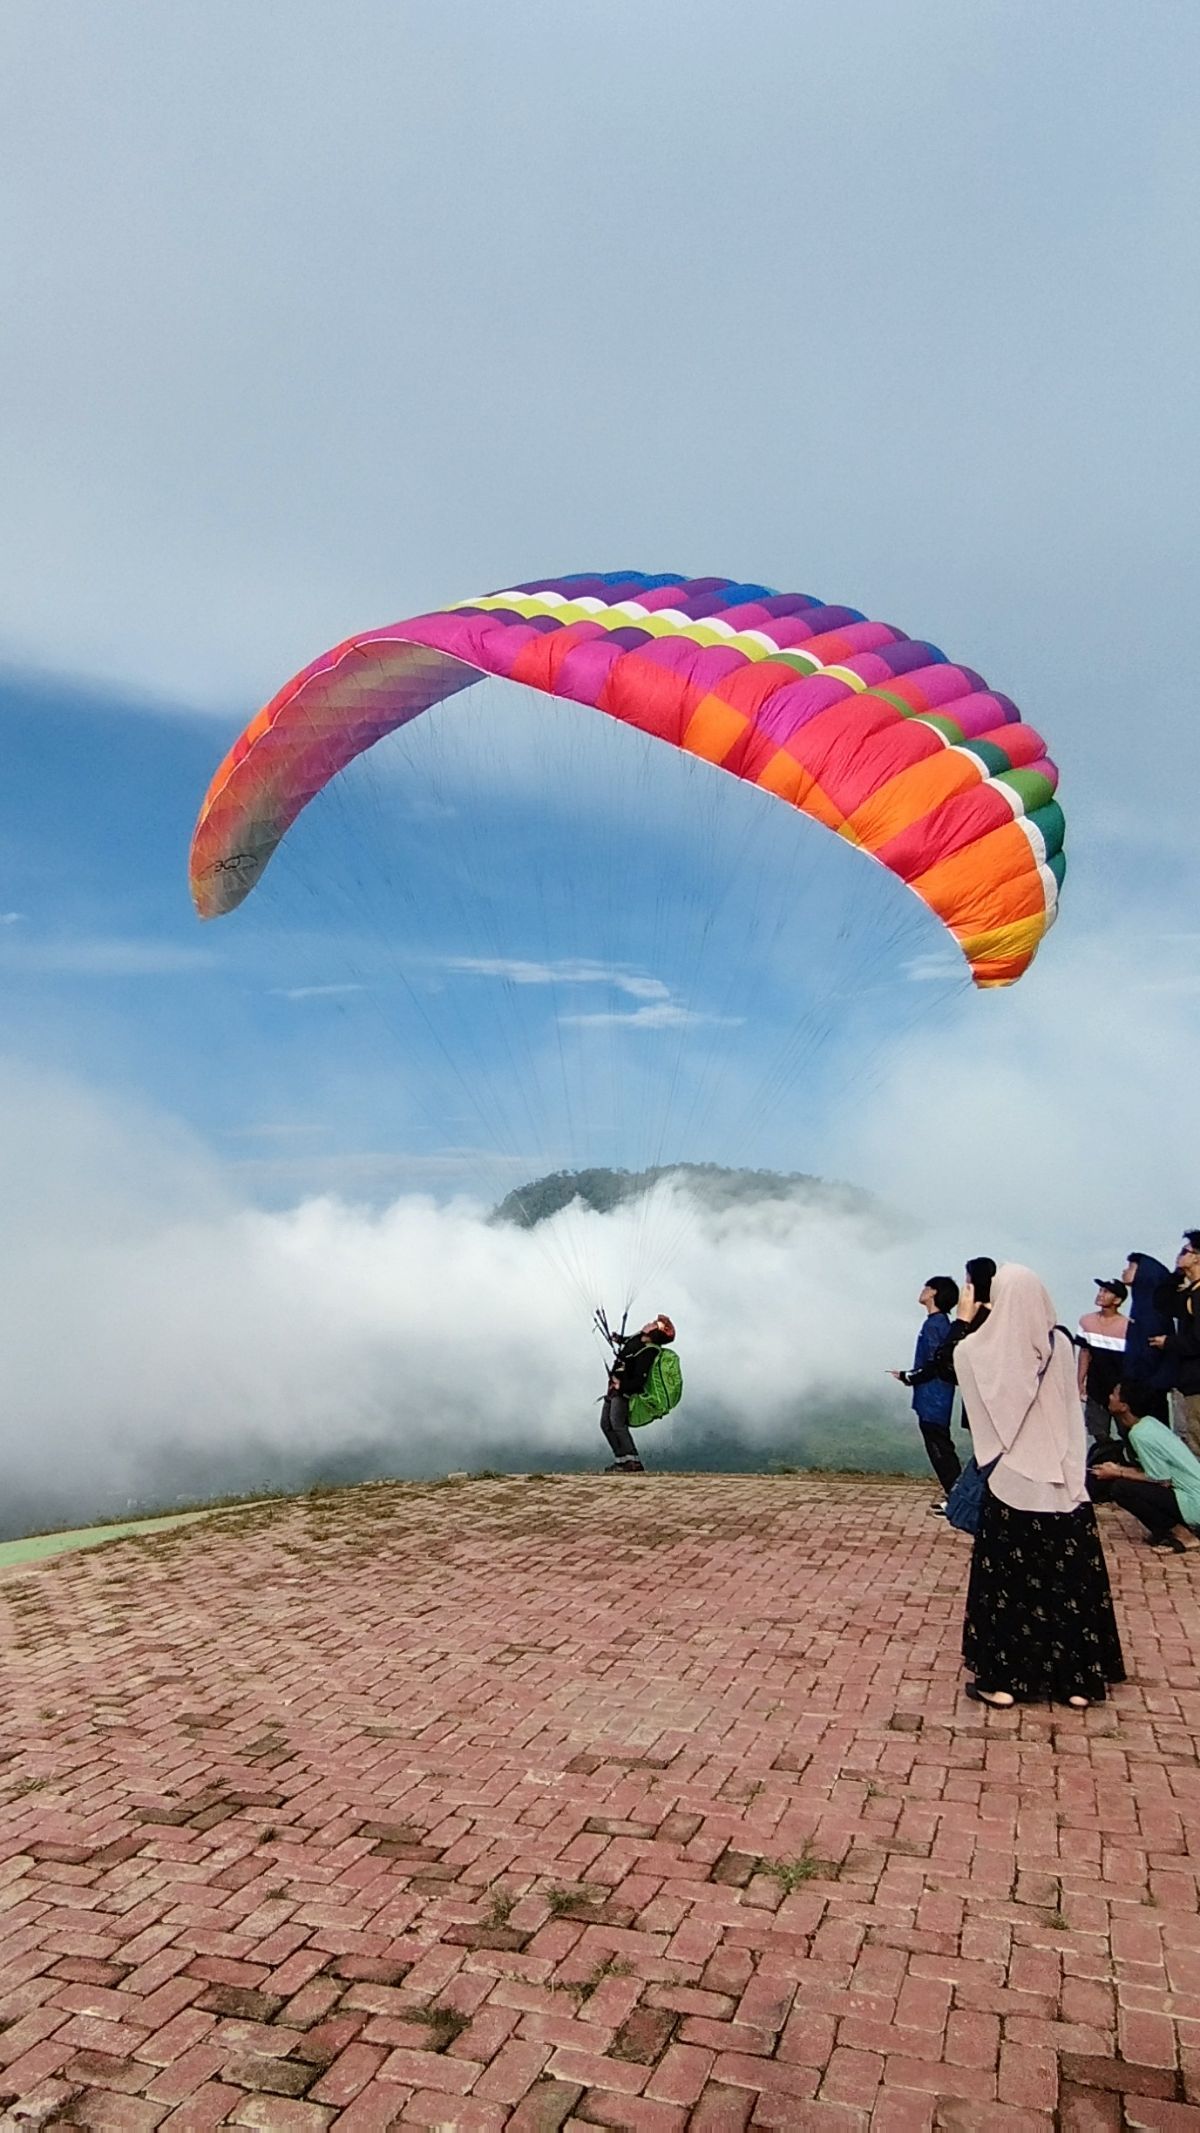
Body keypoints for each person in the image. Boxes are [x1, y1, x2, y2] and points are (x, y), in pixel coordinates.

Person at [955, 1262, 1125, 1710]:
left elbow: (964, 1374)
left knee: (1009, 1588)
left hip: (1014, 1484)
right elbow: (1069, 1409)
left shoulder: (977, 1351)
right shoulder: (1062, 1343)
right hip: (1064, 1483)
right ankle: (1076, 1685)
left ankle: (1006, 1683)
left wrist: (965, 1318)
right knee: (1069, 1586)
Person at [1090, 1381, 1200, 1552]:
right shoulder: (1148, 1423)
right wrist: (1118, 1469)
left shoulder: (1139, 1434)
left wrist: (1117, 1473)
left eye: (1114, 1395)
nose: (1110, 1397)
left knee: (1121, 1489)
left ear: (1124, 1406)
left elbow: (1160, 1479)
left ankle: (1182, 1535)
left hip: (1193, 1501)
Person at [889, 1277, 961, 1509]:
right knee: (941, 1446)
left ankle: (957, 1498)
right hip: (935, 1395)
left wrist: (908, 1376)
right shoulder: (940, 1323)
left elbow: (933, 1364)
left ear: (934, 1293)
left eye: (927, 1287)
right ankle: (956, 1496)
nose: (922, 1291)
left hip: (933, 1397)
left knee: (940, 1449)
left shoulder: (934, 1324)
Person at [599, 1315, 675, 1473]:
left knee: (617, 1423)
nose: (649, 1323)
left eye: (654, 1324)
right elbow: (628, 1341)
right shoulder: (639, 1337)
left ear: (654, 1334)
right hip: (614, 1386)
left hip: (624, 1390)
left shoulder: (649, 1351)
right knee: (605, 1424)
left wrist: (621, 1386)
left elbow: (640, 1379)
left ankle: (633, 1461)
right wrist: (618, 1338)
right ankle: (621, 1460)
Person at [1151, 1232, 1200, 1457]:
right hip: (1190, 1384)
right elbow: (1163, 1302)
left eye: (1184, 1252)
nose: (1179, 1256)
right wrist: (1177, 1275)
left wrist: (1169, 1342)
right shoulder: (1190, 1292)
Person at [1120, 1251, 1175, 1420]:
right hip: (1142, 1384)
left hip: (1147, 1388)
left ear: (1144, 1273)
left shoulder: (1152, 1310)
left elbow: (1148, 1351)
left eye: (1131, 1267)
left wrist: (1144, 1384)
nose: (1124, 1271)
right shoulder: (1141, 1305)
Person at [1076, 1279, 1129, 1444]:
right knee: (1098, 1432)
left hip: (1121, 1389)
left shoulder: (1128, 1326)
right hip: (1096, 1386)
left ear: (1117, 1300)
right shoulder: (1087, 1322)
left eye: (1106, 1292)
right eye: (1100, 1290)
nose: (1100, 1294)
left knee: (1127, 1432)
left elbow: (1129, 1361)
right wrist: (1080, 1381)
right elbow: (1084, 1353)